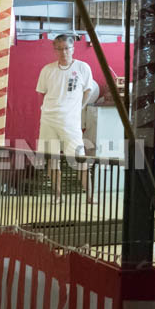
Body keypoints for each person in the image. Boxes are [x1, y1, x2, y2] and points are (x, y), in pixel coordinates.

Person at [35, 34, 99, 203]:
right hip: (48, 120)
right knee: (52, 158)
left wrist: (80, 107)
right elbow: (41, 94)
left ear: (73, 49)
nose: (63, 52)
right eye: (59, 49)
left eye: (66, 48)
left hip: (70, 122)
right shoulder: (47, 70)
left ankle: (91, 196)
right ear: (54, 50)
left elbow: (88, 90)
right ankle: (57, 195)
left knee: (79, 158)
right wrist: (47, 110)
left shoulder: (82, 67)